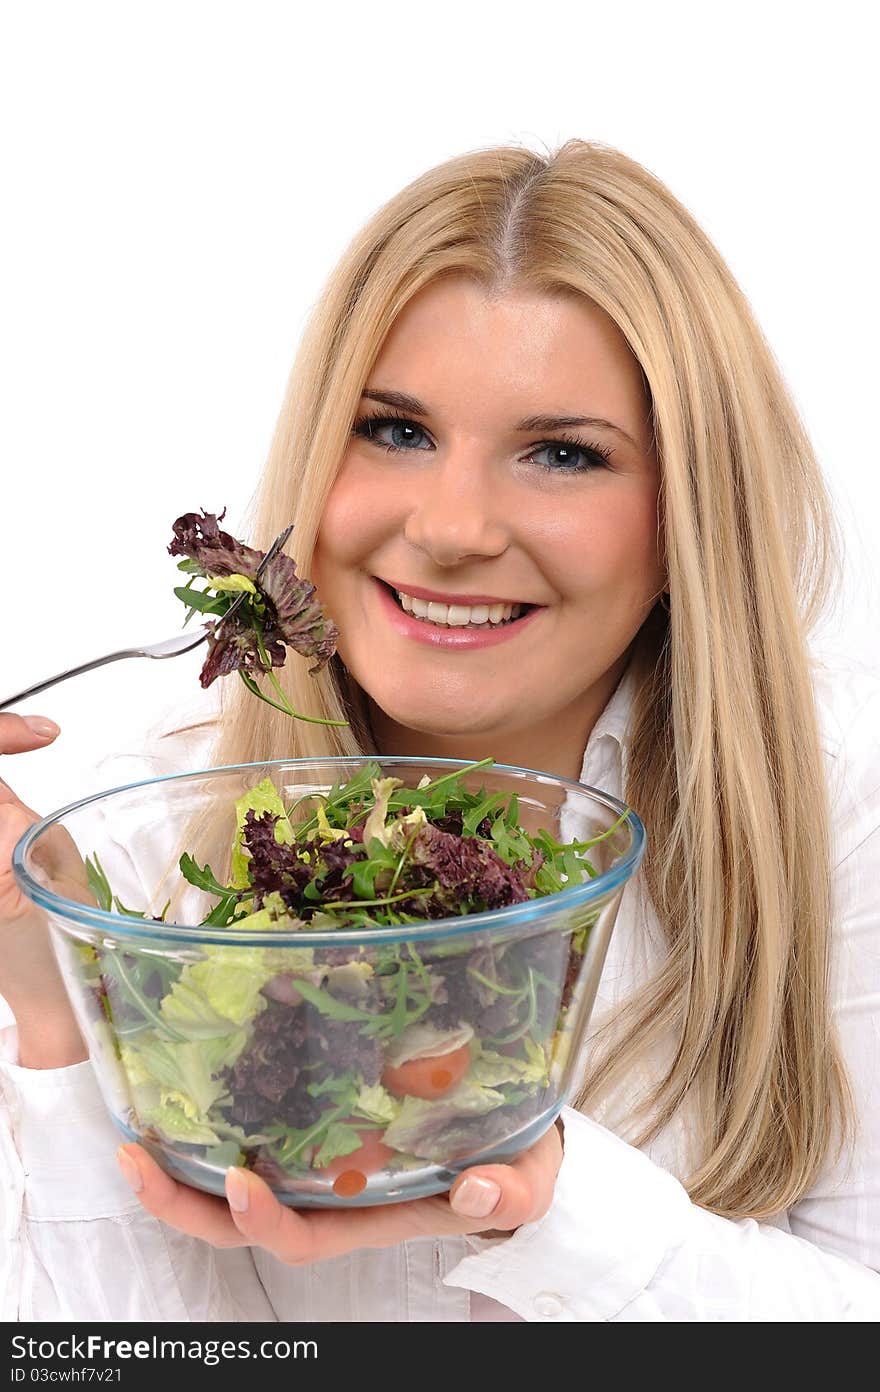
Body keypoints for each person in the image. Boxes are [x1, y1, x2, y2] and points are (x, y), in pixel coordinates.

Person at [2, 138, 879, 1322]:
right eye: (396, 431)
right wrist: (63, 1016)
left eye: (562, 454)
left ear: (689, 519)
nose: (453, 527)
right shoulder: (145, 848)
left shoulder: (835, 809)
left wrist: (550, 1206)